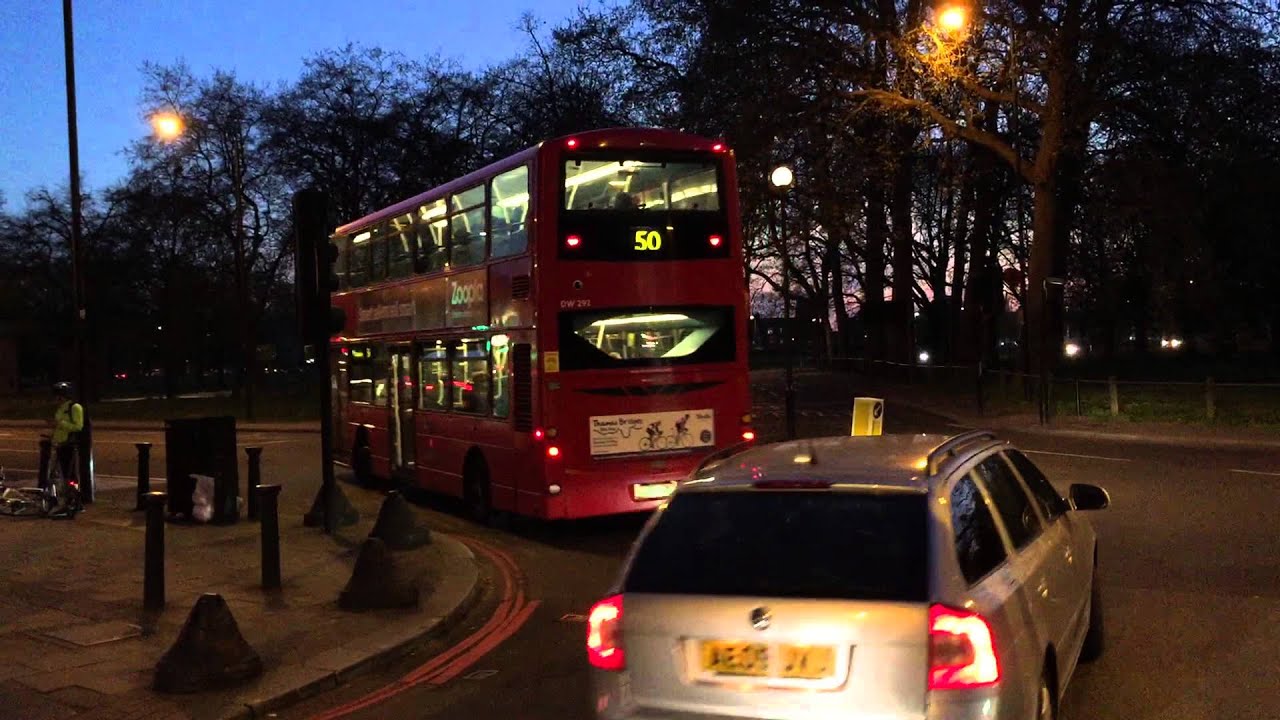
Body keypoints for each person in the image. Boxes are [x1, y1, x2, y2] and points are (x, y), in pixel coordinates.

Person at [50, 381, 84, 488]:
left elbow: (78, 426)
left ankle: (73, 494)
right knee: (62, 471)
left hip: (69, 444)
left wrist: (60, 423)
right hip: (59, 444)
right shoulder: (61, 408)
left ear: (62, 397)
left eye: (56, 396)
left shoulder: (75, 407)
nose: (54, 399)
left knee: (70, 472)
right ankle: (66, 491)